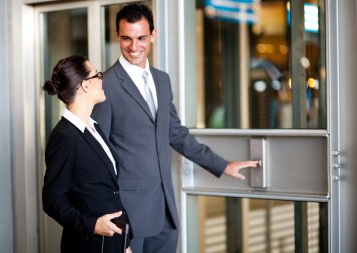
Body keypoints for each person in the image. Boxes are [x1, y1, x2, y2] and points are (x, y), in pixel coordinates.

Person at [92, 3, 259, 253]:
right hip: (128, 213)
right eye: (126, 38)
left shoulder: (161, 80)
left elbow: (175, 133)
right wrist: (106, 217)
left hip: (165, 210)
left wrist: (222, 164)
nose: (134, 46)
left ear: (153, 35)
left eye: (141, 38)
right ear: (117, 36)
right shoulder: (106, 84)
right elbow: (97, 154)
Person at [42, 55, 132, 253]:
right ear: (84, 86)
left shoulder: (93, 127)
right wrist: (91, 225)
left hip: (113, 242)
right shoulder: (64, 138)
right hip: (88, 246)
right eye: (97, 75)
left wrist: (124, 244)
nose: (102, 78)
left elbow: (107, 192)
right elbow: (52, 200)